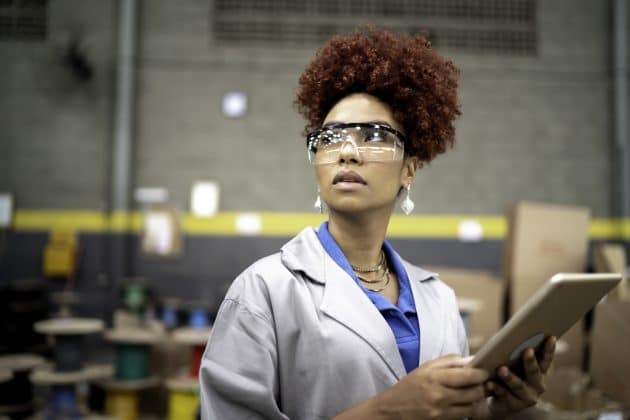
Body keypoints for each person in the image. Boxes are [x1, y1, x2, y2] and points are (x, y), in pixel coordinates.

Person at [199, 26, 555, 420]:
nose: (347, 153)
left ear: (409, 170)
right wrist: (387, 411)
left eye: (373, 135)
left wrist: (494, 410)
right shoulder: (263, 292)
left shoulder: (439, 301)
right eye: (330, 138)